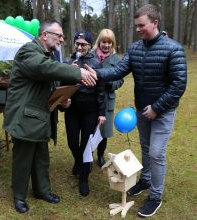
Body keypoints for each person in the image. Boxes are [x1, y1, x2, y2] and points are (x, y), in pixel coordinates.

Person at [90, 4, 187, 218]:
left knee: (156, 153)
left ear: (155, 22)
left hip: (163, 111)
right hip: (143, 110)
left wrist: (157, 108)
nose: (138, 29)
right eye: (136, 26)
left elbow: (179, 84)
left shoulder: (174, 49)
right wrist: (96, 73)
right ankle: (145, 180)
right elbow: (118, 70)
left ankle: (155, 196)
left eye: (141, 25)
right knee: (145, 147)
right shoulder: (135, 49)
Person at [3, 21, 97, 214]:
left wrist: (62, 101)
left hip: (40, 116)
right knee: (23, 159)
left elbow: (49, 83)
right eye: (59, 35)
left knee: (41, 157)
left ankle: (42, 191)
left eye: (62, 36)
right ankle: (19, 196)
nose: (62, 39)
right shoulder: (28, 51)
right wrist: (77, 72)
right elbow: (44, 69)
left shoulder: (48, 55)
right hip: (25, 116)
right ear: (45, 35)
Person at [63, 31, 106, 196]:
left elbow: (101, 89)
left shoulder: (96, 62)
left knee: (86, 144)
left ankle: (83, 178)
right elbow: (61, 84)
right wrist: (68, 72)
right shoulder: (68, 61)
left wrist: (101, 113)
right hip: (72, 108)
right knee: (73, 143)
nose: (80, 47)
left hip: (90, 109)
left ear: (89, 45)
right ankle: (79, 162)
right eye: (77, 43)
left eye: (84, 44)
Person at [92, 29, 124, 167]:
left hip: (107, 100)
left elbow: (120, 80)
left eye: (109, 42)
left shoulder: (117, 60)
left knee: (103, 132)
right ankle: (88, 156)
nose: (106, 45)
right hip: (91, 98)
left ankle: (100, 155)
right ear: (99, 42)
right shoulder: (91, 56)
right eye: (104, 41)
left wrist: (110, 83)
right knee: (90, 129)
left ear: (112, 44)